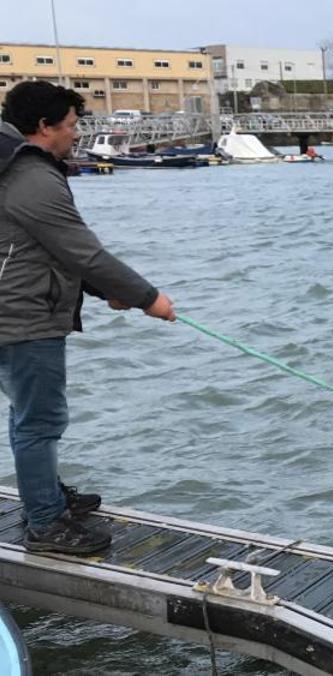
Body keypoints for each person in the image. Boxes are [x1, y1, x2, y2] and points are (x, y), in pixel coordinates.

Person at [0, 82, 176, 555]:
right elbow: (84, 251)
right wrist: (147, 297)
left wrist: (103, 292)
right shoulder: (30, 176)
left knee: (28, 412)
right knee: (40, 419)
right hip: (23, 316)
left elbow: (45, 249)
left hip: (12, 309)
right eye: (72, 126)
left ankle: (46, 498)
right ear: (44, 127)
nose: (76, 135)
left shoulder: (11, 164)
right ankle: (46, 525)